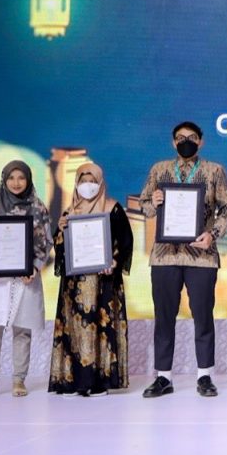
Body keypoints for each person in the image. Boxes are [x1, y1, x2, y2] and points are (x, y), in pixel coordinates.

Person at [138, 121, 227, 398]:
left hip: (202, 255)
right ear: (173, 142)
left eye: (192, 138)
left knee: (203, 316)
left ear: (201, 141)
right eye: (180, 138)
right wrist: (154, 202)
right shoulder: (159, 170)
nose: (186, 142)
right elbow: (144, 206)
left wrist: (212, 234)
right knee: (163, 317)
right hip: (164, 256)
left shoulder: (214, 171)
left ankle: (205, 376)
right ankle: (163, 377)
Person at [48, 163, 134, 396]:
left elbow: (126, 241)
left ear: (101, 183)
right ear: (76, 183)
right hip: (74, 286)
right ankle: (73, 381)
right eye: (83, 181)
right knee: (75, 331)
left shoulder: (113, 208)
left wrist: (114, 262)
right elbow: (60, 250)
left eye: (92, 181)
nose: (88, 186)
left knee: (101, 330)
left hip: (104, 284)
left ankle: (98, 382)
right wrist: (60, 231)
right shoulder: (70, 212)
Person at [0, 160, 53, 399]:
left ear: (28, 180)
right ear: (4, 180)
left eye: (21, 178)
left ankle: (19, 379)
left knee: (22, 330)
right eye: (11, 178)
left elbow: (46, 242)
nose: (16, 183)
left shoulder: (38, 207)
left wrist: (35, 267)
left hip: (25, 276)